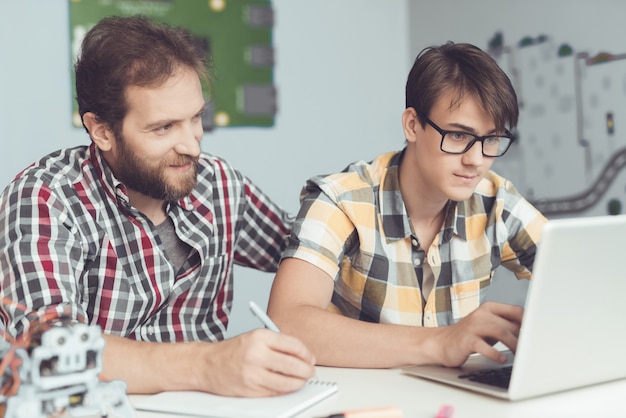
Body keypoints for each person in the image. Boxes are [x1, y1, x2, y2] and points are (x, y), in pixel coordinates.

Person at [0, 15, 315, 396]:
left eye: (196, 118)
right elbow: (47, 350)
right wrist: (211, 364)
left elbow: (312, 254)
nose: (193, 146)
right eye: (164, 128)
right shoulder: (46, 198)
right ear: (102, 131)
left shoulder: (217, 182)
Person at [267, 42, 547, 369]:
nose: (476, 160)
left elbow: (586, 276)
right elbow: (287, 322)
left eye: (492, 139)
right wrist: (442, 342)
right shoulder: (342, 200)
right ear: (412, 125)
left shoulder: (496, 200)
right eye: (458, 136)